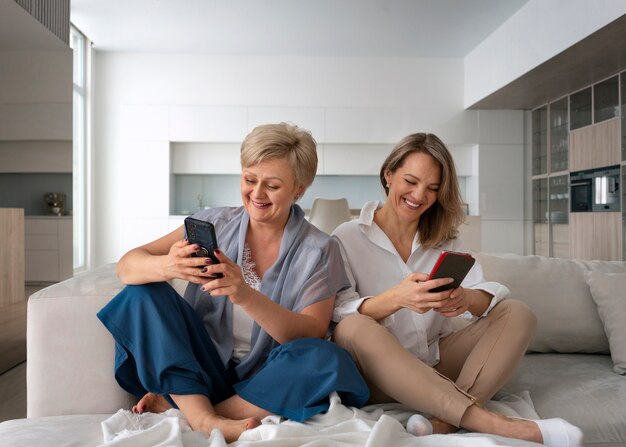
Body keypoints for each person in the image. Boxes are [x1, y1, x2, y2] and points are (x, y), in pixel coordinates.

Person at [97, 123, 369, 443]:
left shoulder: (321, 250)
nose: (256, 194)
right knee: (141, 294)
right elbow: (127, 267)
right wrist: (167, 265)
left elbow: (309, 332)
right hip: (200, 365)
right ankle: (202, 418)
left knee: (326, 357)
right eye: (249, 179)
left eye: (272, 185)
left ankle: (201, 411)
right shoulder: (214, 222)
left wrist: (245, 295)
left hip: (266, 380)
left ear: (300, 187)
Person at [331, 133, 583, 446]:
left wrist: (465, 298)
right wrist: (395, 299)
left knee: (518, 312)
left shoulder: (444, 239)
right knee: (353, 327)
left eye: (432, 188)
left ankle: (445, 421)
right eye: (410, 180)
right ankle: (490, 421)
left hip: (440, 364)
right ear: (388, 175)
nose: (419, 194)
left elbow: (484, 296)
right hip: (380, 376)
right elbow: (339, 310)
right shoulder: (347, 236)